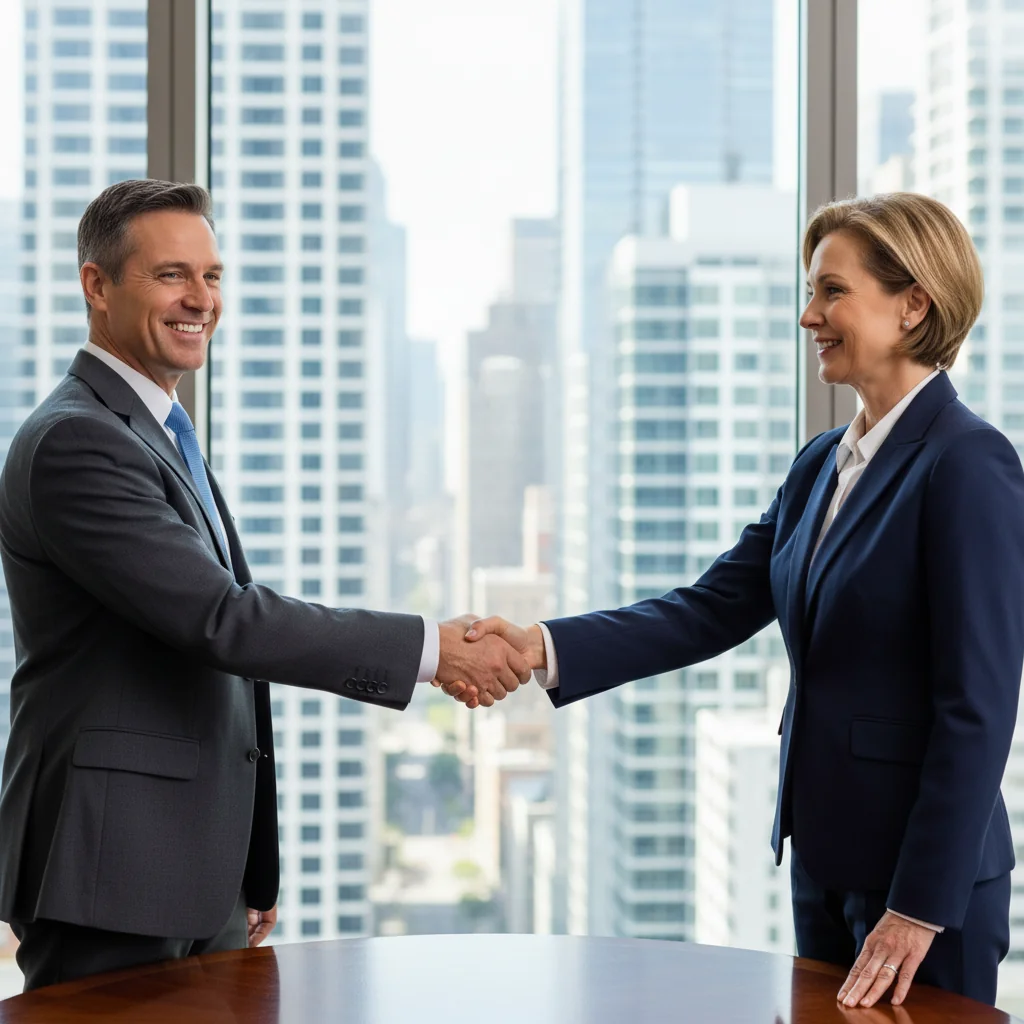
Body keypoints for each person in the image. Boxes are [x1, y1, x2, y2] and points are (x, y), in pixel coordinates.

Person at [444, 192, 1024, 1008]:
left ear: (913, 304)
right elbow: (708, 608)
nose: (807, 316)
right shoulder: (822, 463)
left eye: (831, 291)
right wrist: (538, 645)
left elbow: (980, 707)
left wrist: (917, 909)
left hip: (922, 888)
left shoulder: (968, 464)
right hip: (824, 861)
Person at [0, 178, 528, 991]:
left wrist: (241, 867)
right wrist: (431, 650)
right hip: (111, 872)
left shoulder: (155, 431)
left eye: (212, 277)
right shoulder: (78, 442)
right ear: (96, 286)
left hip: (180, 868)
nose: (200, 299)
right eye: (172, 275)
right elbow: (223, 620)